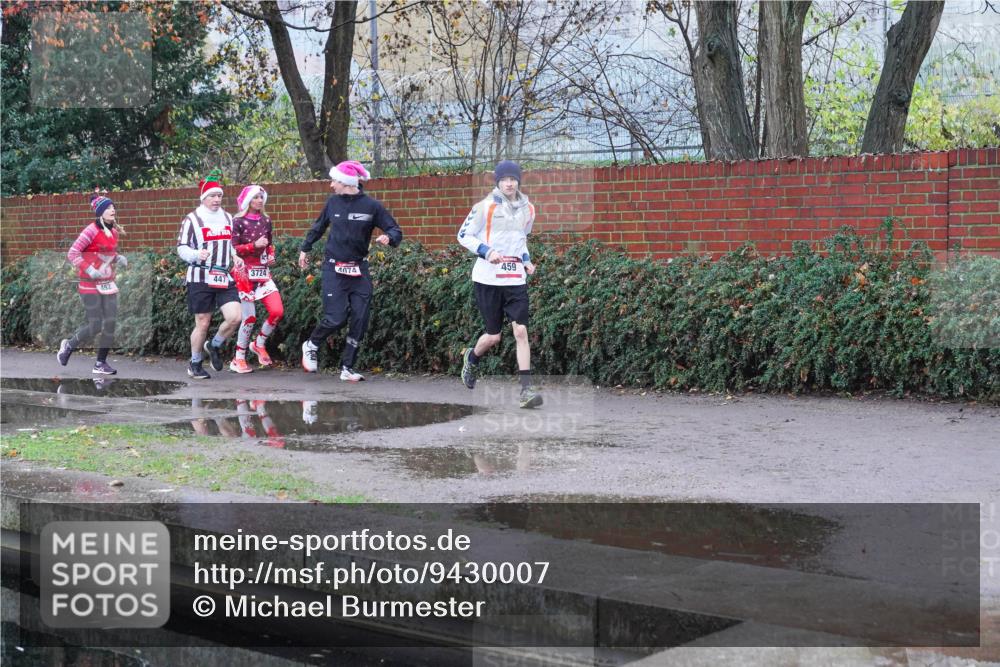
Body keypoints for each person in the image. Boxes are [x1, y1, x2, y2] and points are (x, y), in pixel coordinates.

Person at [298, 160, 402, 381]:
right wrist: (305, 249)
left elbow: (395, 228)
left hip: (359, 270)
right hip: (334, 269)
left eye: (334, 180)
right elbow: (318, 227)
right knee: (336, 318)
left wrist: (389, 237)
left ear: (346, 182)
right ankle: (312, 343)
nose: (331, 185)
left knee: (360, 318)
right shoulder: (333, 203)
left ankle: (348, 368)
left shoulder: (371, 206)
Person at [457, 160, 542, 409]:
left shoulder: (529, 210)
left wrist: (526, 260)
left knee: (521, 332)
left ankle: (526, 390)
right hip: (488, 278)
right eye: (504, 179)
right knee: (493, 336)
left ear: (518, 182)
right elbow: (463, 235)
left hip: (515, 278)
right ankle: (472, 358)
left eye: (513, 179)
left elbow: (520, 241)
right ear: (497, 182)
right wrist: (486, 251)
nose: (509, 183)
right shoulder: (485, 207)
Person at [176, 169, 243, 379]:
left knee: (235, 317)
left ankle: (214, 345)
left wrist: (235, 256)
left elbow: (231, 243)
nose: (216, 199)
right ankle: (195, 363)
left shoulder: (228, 218)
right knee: (202, 322)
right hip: (200, 276)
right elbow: (181, 248)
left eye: (219, 195)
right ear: (204, 198)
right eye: (212, 196)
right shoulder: (192, 219)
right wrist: (196, 254)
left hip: (223, 276)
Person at [57, 193, 128, 375]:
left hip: (107, 284)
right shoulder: (90, 230)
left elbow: (106, 254)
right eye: (107, 208)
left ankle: (100, 363)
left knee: (110, 323)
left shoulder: (113, 232)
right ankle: (69, 346)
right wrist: (89, 269)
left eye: (113, 207)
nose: (112, 210)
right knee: (95, 325)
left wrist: (117, 258)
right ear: (99, 213)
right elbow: (73, 253)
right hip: (89, 285)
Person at [228, 185, 283, 373]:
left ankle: (259, 344)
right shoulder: (238, 221)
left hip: (262, 271)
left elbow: (269, 244)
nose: (260, 200)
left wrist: (271, 254)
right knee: (249, 317)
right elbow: (234, 249)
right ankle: (238, 358)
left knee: (277, 311)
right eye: (256, 197)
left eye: (262, 197)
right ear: (248, 201)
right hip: (243, 273)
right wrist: (253, 245)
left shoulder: (266, 220)